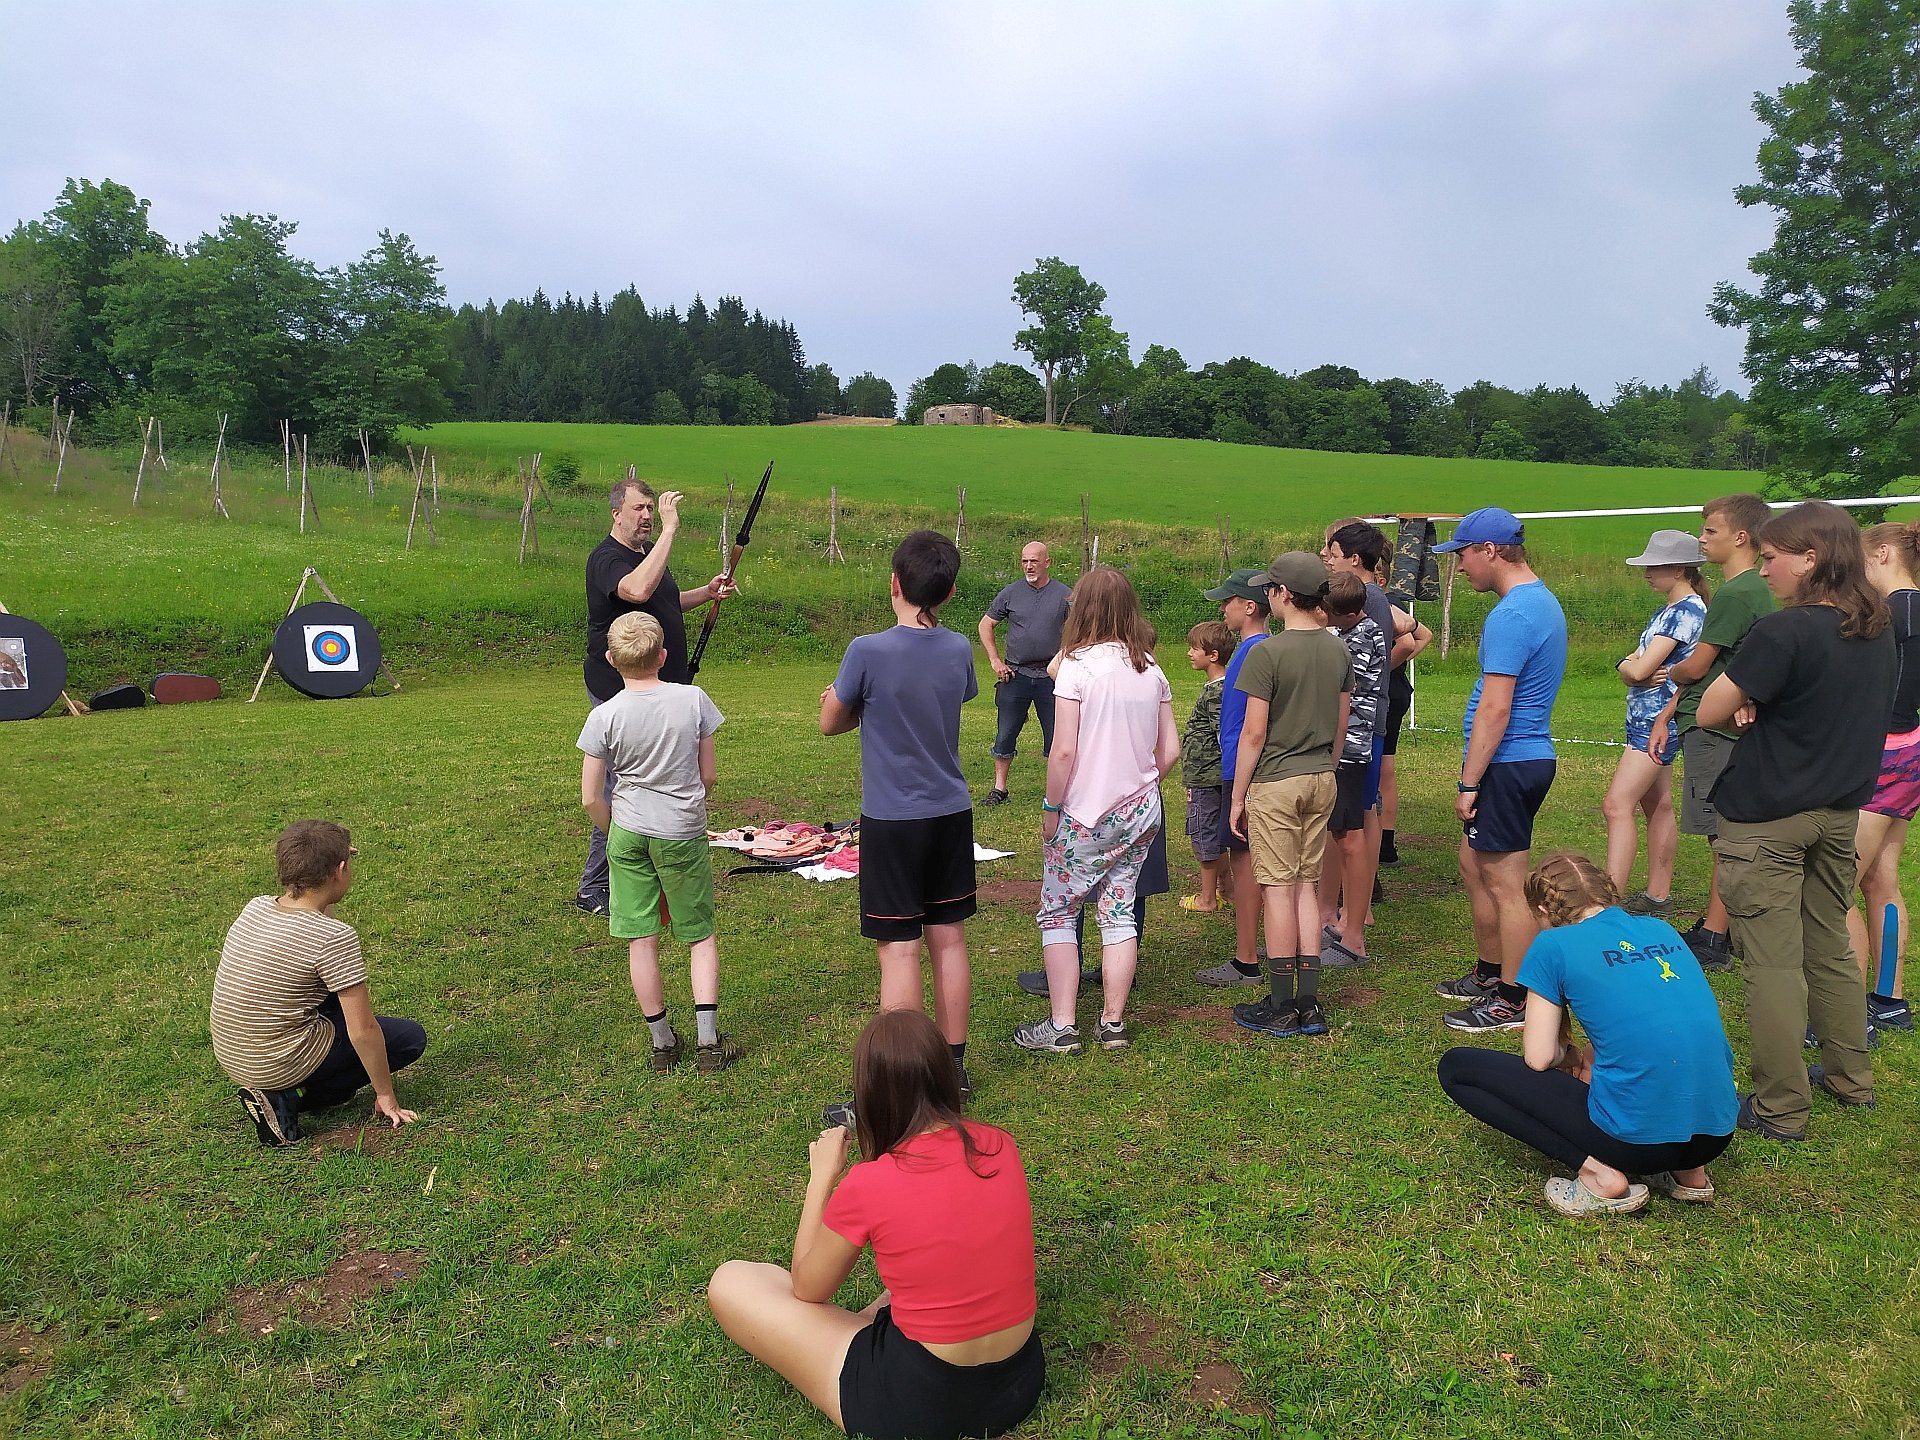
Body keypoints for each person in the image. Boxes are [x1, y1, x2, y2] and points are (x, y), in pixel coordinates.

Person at [707, 1010, 1043, 1440]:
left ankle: (863, 1331)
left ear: (870, 1095)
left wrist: (820, 1178)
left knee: (732, 1281)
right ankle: (873, 1323)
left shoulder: (871, 1182)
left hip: (919, 1406)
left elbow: (807, 1288)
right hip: (1018, 1382)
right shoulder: (1000, 1145)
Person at [1699, 500, 1892, 1142]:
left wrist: (1749, 700)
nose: (1765, 569)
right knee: (1829, 945)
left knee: (1772, 964)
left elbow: (1710, 708)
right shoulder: (1876, 629)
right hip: (1838, 813)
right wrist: (1761, 701)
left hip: (1766, 818)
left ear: (1810, 559)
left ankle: (1781, 1106)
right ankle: (1850, 1079)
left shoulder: (1783, 632)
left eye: (1773, 557)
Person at [1437, 853, 1736, 1217]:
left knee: (1457, 1068)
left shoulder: (1553, 945)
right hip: (1715, 1137)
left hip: (1638, 1146)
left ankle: (1599, 1175)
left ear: (1543, 909)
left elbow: (1539, 1057)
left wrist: (1574, 1056)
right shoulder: (1660, 930)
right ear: (1606, 892)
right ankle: (1689, 1174)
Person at [823, 531, 979, 1097]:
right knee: (949, 940)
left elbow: (831, 721)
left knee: (899, 948)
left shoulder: (866, 651)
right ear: (949, 592)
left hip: (892, 821)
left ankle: (907, 1083)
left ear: (894, 583)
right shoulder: (959, 648)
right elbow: (953, 696)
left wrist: (842, 701)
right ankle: (953, 1067)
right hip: (951, 813)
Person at [1012, 568, 1179, 1055]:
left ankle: (1063, 1026)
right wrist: (1142, 784)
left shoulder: (1076, 667)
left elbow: (1063, 750)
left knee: (1059, 911)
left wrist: (1051, 806)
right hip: (1141, 810)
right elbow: (1170, 749)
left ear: (1079, 608)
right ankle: (1113, 1023)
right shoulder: (1151, 668)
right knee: (1119, 910)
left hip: (1085, 812)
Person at [578, 611, 740, 1073]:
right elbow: (708, 775)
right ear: (664, 656)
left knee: (641, 939)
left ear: (611, 660)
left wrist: (615, 831)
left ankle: (662, 1044)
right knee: (699, 934)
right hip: (682, 831)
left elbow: (590, 796)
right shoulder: (693, 700)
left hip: (628, 832)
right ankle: (709, 1042)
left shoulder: (604, 715)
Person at [1432, 507, 1568, 1033]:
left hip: (1509, 763)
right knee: (1474, 864)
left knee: (1507, 884)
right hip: (1517, 760)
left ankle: (1516, 998)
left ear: (1489, 550)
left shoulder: (1512, 615)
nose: (1460, 567)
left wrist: (1469, 782)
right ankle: (1491, 971)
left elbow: (1495, 708)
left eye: (1462, 555)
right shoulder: (1539, 600)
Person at [211, 821, 425, 1147]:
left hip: (236, 1054)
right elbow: (363, 1030)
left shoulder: (256, 907)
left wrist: (327, 864)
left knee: (328, 991)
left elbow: (318, 917)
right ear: (340, 871)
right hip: (276, 1062)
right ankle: (288, 1098)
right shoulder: (334, 938)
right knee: (408, 1039)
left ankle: (282, 1090)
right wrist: (386, 1095)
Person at [579, 478, 734, 915]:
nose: (647, 516)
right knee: (620, 786)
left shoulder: (648, 554)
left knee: (659, 777)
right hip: (619, 690)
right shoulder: (606, 559)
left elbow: (664, 600)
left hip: (659, 687)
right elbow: (637, 591)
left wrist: (705, 593)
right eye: (639, 509)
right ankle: (595, 885)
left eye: (651, 508)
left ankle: (650, 861)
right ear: (617, 513)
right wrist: (670, 529)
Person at [1226, 553, 1352, 1039]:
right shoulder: (1338, 650)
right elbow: (1341, 724)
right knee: (1306, 886)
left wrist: (1238, 796)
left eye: (1270, 589)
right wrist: (1327, 766)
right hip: (1322, 777)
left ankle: (1281, 1004)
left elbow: (1253, 733)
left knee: (1278, 890)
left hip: (1277, 782)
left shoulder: (1268, 653)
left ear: (1282, 594)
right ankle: (1309, 1002)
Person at [1647, 494, 1775, 970]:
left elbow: (1700, 665)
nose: (1701, 539)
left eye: (1710, 531)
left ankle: (1716, 936)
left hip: (1714, 727)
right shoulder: (1753, 590)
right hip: (1716, 718)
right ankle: (1718, 926)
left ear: (1741, 538)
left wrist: (1670, 672)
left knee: (1721, 834)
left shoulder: (1737, 593)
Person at [1602, 530, 1709, 915]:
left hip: (1655, 726)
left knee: (1616, 805)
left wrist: (1630, 669)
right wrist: (1628, 667)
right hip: (1647, 722)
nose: (1647, 573)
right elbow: (1633, 666)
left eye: (1654, 566)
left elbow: (1639, 667)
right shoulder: (1673, 609)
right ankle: (1657, 895)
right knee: (1657, 804)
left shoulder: (1684, 612)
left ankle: (1607, 899)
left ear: (1679, 569)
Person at [1322, 520, 1431, 875]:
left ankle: (1361, 890)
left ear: (1354, 559)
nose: (1328, 559)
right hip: (1368, 719)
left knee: (1360, 812)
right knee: (1365, 808)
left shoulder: (1366, 599)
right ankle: (1363, 888)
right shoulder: (1373, 597)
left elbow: (1364, 666)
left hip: (1360, 724)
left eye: (1334, 554)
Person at [1848, 522, 1920, 1034]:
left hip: (1881, 753)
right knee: (1881, 879)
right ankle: (1889, 1000)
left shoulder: (1893, 615)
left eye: (1862, 560)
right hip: (1910, 750)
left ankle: (1845, 1012)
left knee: (1832, 890)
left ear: (1884, 553)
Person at [1192, 569, 1274, 988]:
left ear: (1250, 606)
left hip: (1240, 771)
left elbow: (1249, 726)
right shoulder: (1259, 649)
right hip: (1246, 768)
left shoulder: (1251, 652)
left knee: (1245, 864)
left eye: (1228, 601)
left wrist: (1236, 786)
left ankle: (1247, 959)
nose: (1223, 608)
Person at [1316, 572, 1386, 968]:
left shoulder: (1363, 636)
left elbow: (1345, 685)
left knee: (1350, 838)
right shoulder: (1348, 632)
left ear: (1346, 614)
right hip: (1338, 746)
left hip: (1350, 749)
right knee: (1337, 833)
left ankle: (1354, 936)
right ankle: (1331, 919)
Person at [978, 541, 1072, 806]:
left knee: (1056, 737)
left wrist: (1064, 659)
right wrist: (995, 660)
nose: (1029, 566)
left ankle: (1058, 792)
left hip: (1051, 678)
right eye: (1024, 561)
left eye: (1034, 561)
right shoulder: (1011, 593)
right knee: (1005, 733)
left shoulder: (1065, 595)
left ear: (1047, 563)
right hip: (1015, 675)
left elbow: (1080, 630)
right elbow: (985, 625)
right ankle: (999, 789)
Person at [1179, 620, 1236, 913]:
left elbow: (1222, 733)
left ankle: (1207, 898)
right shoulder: (1221, 687)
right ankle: (1227, 889)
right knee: (1213, 833)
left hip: (1206, 778)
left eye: (1195, 648)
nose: (1189, 653)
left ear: (1213, 655)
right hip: (1209, 776)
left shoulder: (1217, 691)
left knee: (1204, 833)